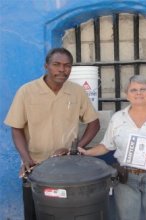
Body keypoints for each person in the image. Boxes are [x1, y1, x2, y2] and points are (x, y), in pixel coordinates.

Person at [4, 47, 100, 220]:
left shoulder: (77, 92)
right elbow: (16, 128)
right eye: (56, 64)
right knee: (36, 213)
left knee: (67, 213)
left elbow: (94, 124)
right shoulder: (26, 92)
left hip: (68, 167)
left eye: (67, 65)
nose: (62, 70)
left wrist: (76, 148)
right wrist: (26, 159)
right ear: (46, 66)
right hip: (35, 167)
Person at [78, 75, 146, 220]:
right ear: (127, 95)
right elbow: (106, 146)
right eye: (133, 90)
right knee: (127, 217)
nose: (138, 93)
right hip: (126, 178)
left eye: (143, 89)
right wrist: (87, 152)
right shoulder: (118, 118)